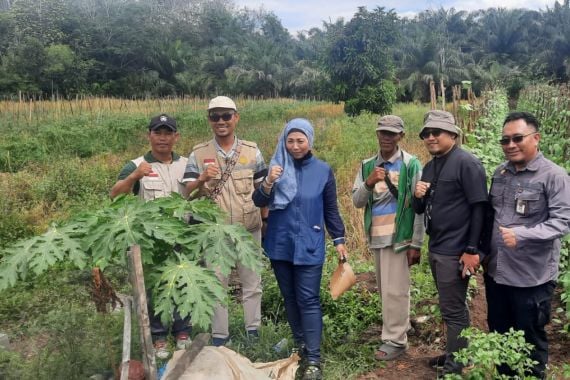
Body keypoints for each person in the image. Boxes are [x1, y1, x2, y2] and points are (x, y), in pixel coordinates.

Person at [252, 118, 348, 380]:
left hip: (309, 243)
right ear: (284, 141)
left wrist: (339, 240)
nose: (295, 146)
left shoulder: (322, 170)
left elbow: (330, 209)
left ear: (310, 141)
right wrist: (269, 181)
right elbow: (258, 200)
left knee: (308, 299)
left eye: (300, 141)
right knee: (290, 298)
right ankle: (301, 345)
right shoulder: (275, 167)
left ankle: (314, 360)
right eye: (290, 141)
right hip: (280, 243)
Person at [484, 112, 570, 379]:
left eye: (517, 138)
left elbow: (562, 222)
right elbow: (491, 215)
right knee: (499, 334)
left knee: (530, 339)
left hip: (531, 278)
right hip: (497, 273)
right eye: (505, 140)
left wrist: (523, 234)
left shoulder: (554, 176)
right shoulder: (500, 173)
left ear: (536, 138)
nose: (511, 144)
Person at [181, 96, 266, 346]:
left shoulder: (252, 151)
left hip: (248, 229)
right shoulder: (198, 153)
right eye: (215, 116)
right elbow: (187, 193)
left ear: (236, 118)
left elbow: (262, 191)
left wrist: (266, 222)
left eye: (226, 116)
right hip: (214, 233)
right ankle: (220, 336)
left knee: (253, 283)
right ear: (209, 120)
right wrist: (201, 179)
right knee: (217, 284)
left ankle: (253, 333)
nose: (221, 121)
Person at [411, 110, 488, 375]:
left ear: (453, 135)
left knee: (453, 309)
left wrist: (471, 249)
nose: (430, 138)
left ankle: (456, 365)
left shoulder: (467, 163)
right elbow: (420, 209)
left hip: (455, 250)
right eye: (426, 134)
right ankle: (456, 351)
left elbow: (480, 208)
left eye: (436, 133)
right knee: (450, 305)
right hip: (437, 246)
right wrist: (418, 195)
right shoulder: (430, 165)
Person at [110, 113, 191, 359]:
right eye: (158, 133)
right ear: (149, 135)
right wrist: (135, 177)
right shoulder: (135, 165)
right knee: (156, 288)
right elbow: (115, 196)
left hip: (182, 236)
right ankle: (158, 337)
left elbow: (195, 195)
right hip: (152, 241)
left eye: (168, 133)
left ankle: (183, 332)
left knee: (182, 282)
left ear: (176, 137)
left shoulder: (187, 164)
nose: (163, 138)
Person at [352, 115, 424, 361]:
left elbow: (419, 206)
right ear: (377, 134)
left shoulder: (411, 164)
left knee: (397, 290)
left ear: (400, 137)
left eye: (392, 133)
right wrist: (369, 182)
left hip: (399, 237)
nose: (386, 137)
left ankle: (396, 340)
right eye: (383, 132)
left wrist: (416, 242)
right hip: (377, 236)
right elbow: (357, 201)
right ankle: (396, 330)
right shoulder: (366, 166)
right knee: (386, 289)